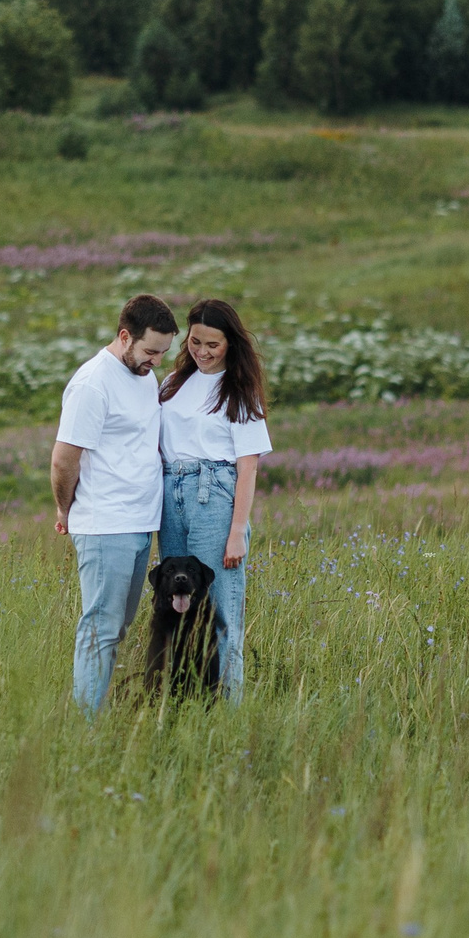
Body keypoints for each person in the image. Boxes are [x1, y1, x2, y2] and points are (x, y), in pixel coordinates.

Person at [52, 293, 180, 713]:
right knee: (100, 629)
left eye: (163, 353)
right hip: (105, 524)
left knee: (117, 628)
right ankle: (87, 730)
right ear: (125, 337)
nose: (156, 362)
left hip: (141, 523)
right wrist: (63, 509)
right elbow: (64, 458)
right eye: (150, 351)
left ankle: (98, 711)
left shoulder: (142, 376)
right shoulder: (93, 383)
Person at [155, 298, 271, 701]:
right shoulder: (172, 383)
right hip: (170, 496)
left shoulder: (240, 391)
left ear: (231, 345)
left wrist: (237, 531)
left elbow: (248, 467)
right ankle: (185, 706)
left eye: (213, 345)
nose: (202, 352)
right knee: (175, 607)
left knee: (221, 612)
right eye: (195, 342)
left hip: (214, 496)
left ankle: (228, 713)